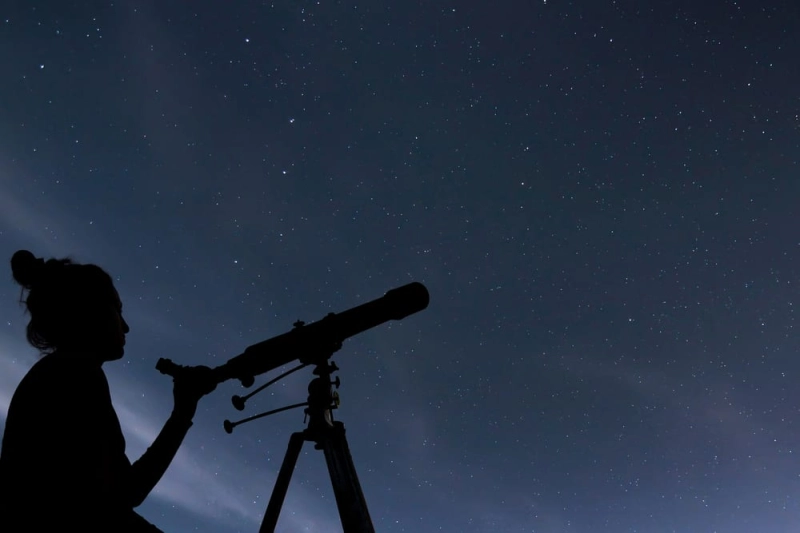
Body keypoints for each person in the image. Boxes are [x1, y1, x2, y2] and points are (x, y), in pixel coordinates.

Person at [0, 250, 217, 532]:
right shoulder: (74, 376)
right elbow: (124, 494)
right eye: (118, 309)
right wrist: (183, 412)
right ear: (90, 311)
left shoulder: (62, 373)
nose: (125, 326)